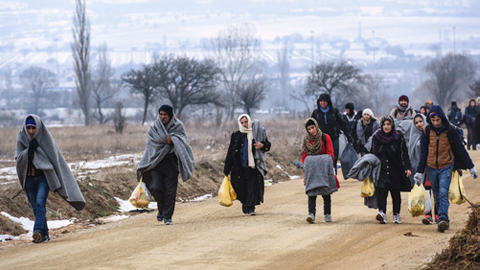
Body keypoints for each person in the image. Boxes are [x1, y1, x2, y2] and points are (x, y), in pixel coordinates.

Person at [15, 115, 86, 243]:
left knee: (40, 203)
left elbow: (55, 159)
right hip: (29, 179)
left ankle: (36, 231)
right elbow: (18, 159)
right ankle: (44, 234)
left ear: (38, 127)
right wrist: (28, 151)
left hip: (43, 178)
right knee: (36, 208)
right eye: (29, 128)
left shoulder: (45, 138)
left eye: (33, 128)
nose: (31, 131)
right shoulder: (21, 138)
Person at [414, 105, 477, 233]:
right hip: (431, 167)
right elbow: (423, 152)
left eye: (438, 120)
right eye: (433, 120)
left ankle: (443, 218)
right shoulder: (426, 131)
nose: (436, 123)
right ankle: (443, 219)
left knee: (443, 191)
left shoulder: (451, 130)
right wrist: (420, 172)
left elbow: (460, 150)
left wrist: (471, 167)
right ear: (430, 120)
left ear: (442, 118)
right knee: (436, 193)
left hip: (446, 166)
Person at [137, 105, 195, 225]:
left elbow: (184, 141)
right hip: (156, 163)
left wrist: (173, 140)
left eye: (165, 115)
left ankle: (167, 216)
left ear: (170, 115)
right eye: (161, 114)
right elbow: (149, 147)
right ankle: (161, 209)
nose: (163, 117)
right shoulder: (154, 128)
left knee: (170, 191)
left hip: (171, 162)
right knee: (156, 188)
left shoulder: (178, 126)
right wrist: (145, 165)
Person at [224, 114, 271, 216]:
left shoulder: (256, 134)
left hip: (253, 166)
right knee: (241, 187)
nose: (244, 124)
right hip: (239, 166)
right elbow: (230, 152)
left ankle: (251, 207)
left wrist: (262, 145)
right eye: (242, 122)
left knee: (252, 187)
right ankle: (245, 204)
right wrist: (227, 168)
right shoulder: (236, 135)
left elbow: (268, 145)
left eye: (246, 122)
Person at [371, 115, 412, 224]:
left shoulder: (398, 137)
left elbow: (404, 154)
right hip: (382, 170)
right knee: (382, 193)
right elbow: (372, 154)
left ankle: (396, 214)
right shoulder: (376, 137)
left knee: (395, 193)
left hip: (396, 170)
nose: (386, 126)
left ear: (392, 125)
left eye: (388, 124)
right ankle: (382, 213)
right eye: (384, 124)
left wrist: (407, 168)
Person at [301, 118, 337, 223]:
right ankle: (311, 214)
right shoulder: (306, 140)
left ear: (316, 126)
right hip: (311, 170)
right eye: (309, 129)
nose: (312, 131)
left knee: (326, 192)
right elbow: (304, 155)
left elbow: (330, 153)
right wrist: (308, 165)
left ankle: (327, 214)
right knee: (311, 192)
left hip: (324, 169)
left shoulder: (325, 137)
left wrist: (321, 162)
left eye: (312, 128)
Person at [408, 113, 438, 225]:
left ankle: (438, 215)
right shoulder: (414, 136)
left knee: (437, 192)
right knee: (426, 192)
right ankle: (428, 215)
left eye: (421, 121)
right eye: (416, 123)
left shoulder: (432, 133)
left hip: (433, 167)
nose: (419, 124)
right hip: (421, 170)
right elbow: (411, 152)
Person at [311, 93, 351, 174]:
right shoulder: (316, 113)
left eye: (324, 101)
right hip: (320, 139)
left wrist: (348, 135)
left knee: (333, 157)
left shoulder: (334, 112)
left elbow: (342, 123)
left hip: (334, 137)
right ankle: (324, 176)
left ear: (328, 102)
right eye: (321, 101)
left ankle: (333, 175)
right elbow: (311, 125)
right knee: (322, 157)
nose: (323, 103)